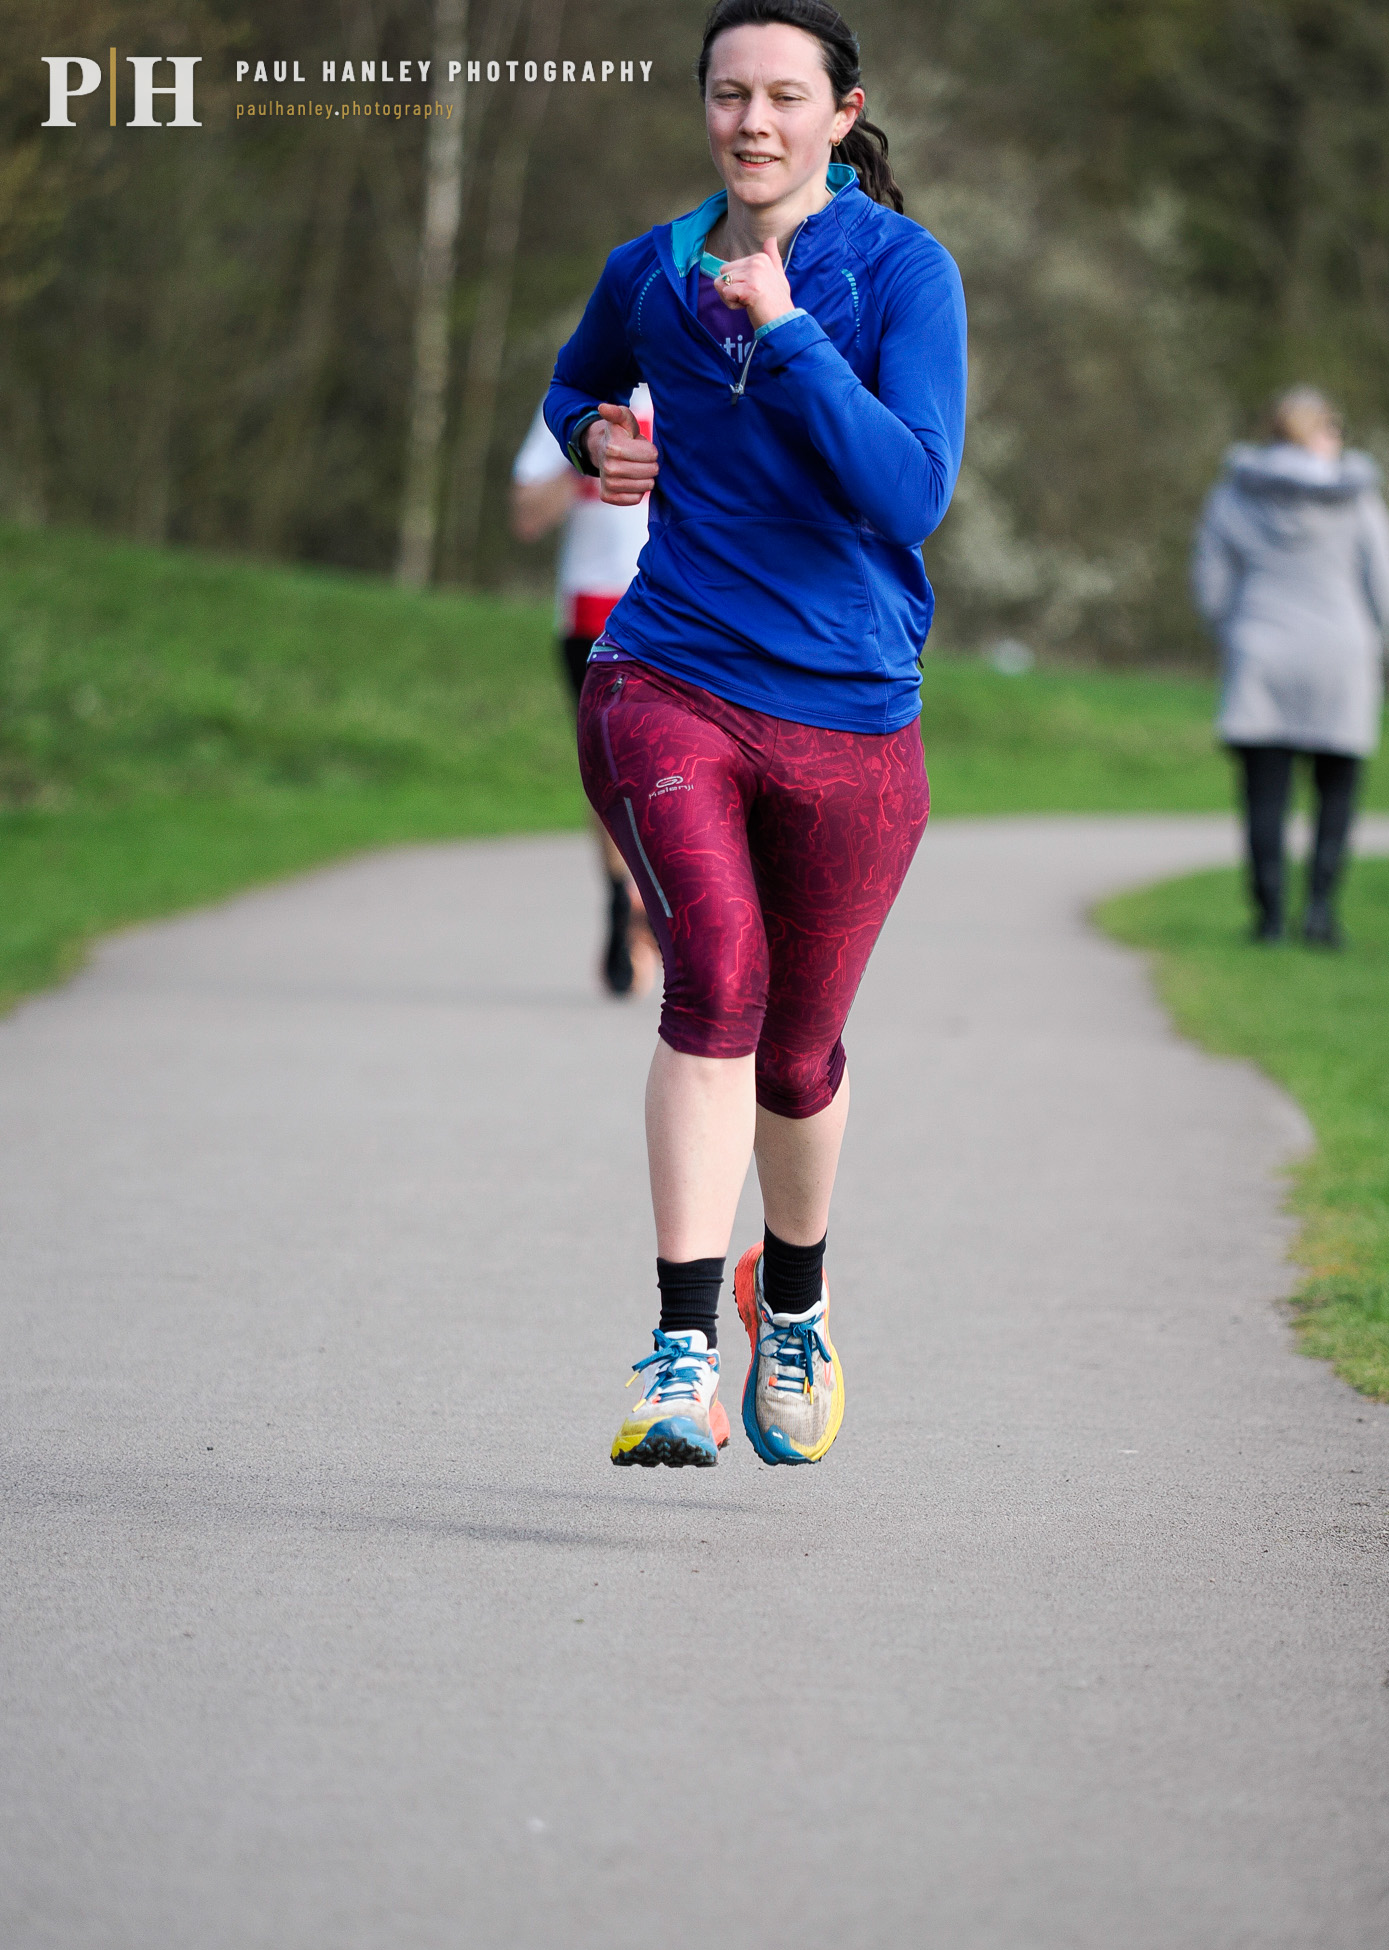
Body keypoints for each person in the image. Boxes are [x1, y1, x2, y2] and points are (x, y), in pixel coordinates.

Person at [543, 0, 965, 1467]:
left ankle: (792, 1300)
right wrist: (596, 439)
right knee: (712, 975)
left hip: (852, 713)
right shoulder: (649, 270)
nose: (754, 122)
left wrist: (784, 335)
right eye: (731, 95)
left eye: (787, 96)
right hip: (669, 675)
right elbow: (575, 381)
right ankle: (675, 1348)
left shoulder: (904, 274)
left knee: (800, 1055)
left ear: (843, 116)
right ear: (706, 108)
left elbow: (907, 494)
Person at [1192, 385, 1389, 946]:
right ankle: (1318, 914)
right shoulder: (1357, 499)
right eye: (1333, 427)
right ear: (1315, 433)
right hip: (1341, 652)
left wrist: (1234, 631)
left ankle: (1267, 920)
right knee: (1336, 788)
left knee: (1265, 793)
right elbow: (1385, 581)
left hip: (1261, 649)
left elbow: (1211, 582)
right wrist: (1378, 637)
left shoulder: (1234, 494)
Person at [510, 388, 661, 996]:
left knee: (678, 766)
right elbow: (526, 513)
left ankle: (662, 902)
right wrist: (591, 459)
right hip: (596, 611)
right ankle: (621, 901)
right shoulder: (581, 395)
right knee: (615, 771)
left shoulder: (725, 374)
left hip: (691, 611)